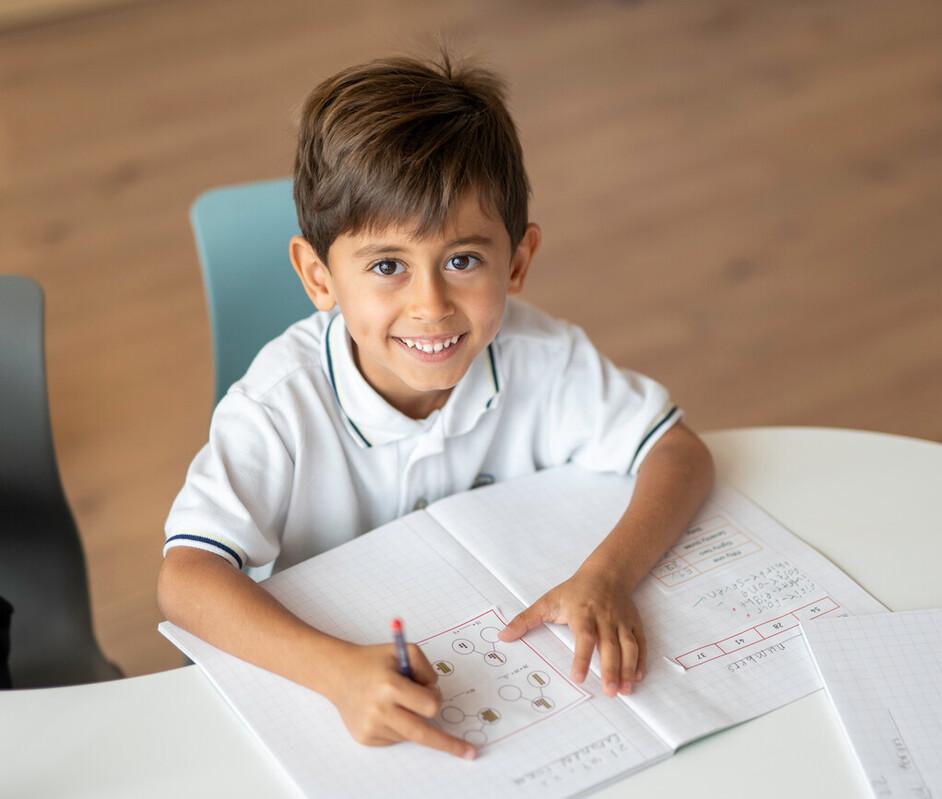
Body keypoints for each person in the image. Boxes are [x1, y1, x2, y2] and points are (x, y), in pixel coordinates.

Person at [156, 53, 713, 760]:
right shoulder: (278, 405)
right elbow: (186, 578)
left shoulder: (541, 357)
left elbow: (678, 452)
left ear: (516, 260)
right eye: (387, 266)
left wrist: (606, 575)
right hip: (330, 688)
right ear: (318, 276)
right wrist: (334, 673)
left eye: (462, 260)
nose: (430, 305)